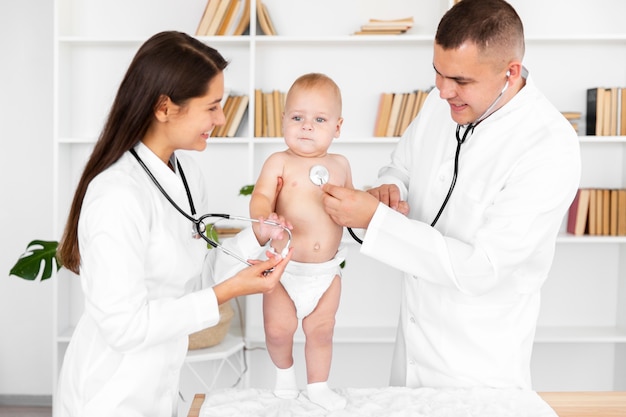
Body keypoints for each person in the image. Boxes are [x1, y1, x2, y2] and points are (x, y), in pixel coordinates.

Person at [321, 0, 580, 389]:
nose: (443, 91)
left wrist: (376, 220)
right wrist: (391, 190)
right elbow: (401, 166)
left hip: (478, 371)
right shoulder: (438, 103)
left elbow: (484, 268)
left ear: (510, 72)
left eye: (460, 81)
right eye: (437, 73)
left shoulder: (549, 146)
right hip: (410, 353)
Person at [53, 31, 292, 417]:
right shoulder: (117, 194)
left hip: (159, 386)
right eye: (212, 107)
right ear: (165, 107)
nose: (222, 118)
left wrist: (256, 238)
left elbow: (193, 281)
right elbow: (124, 327)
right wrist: (227, 292)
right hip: (109, 395)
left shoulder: (186, 174)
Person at [250, 73, 353, 410]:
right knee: (278, 330)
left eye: (319, 120)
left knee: (322, 331)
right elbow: (261, 196)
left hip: (326, 272)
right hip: (285, 268)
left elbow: (352, 206)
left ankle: (319, 386)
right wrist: (267, 218)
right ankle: (285, 375)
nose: (307, 127)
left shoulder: (340, 164)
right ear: (284, 120)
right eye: (298, 118)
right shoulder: (279, 161)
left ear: (337, 127)